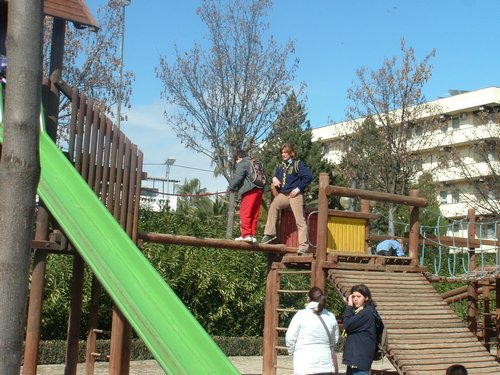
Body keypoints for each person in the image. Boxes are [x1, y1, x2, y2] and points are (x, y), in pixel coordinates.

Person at [261, 143, 313, 254]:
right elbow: (276, 176)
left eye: (285, 152)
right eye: (282, 152)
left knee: (300, 220)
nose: (283, 155)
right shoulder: (280, 166)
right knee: (274, 205)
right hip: (284, 195)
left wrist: (298, 189)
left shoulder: (298, 164)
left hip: (295, 195)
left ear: (291, 153)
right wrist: (274, 178)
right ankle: (269, 234)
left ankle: (303, 245)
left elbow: (308, 177)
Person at [286, 287, 340, 375]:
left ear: (308, 299)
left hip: (305, 362)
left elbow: (290, 337)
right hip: (325, 362)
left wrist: (292, 352)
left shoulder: (300, 315)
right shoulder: (330, 316)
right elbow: (335, 339)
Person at [342, 284, 383, 375]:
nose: (355, 299)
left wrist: (349, 306)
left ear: (366, 298)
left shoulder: (366, 313)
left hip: (359, 357)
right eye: (353, 297)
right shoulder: (361, 311)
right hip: (356, 357)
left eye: (359, 297)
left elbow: (347, 325)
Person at [228, 150, 264, 242]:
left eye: (236, 161)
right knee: (254, 214)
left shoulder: (243, 163)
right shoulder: (256, 162)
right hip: (259, 189)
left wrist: (231, 187)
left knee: (245, 212)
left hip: (249, 190)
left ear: (239, 158)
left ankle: (246, 234)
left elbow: (238, 178)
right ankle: (252, 235)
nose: (236, 164)